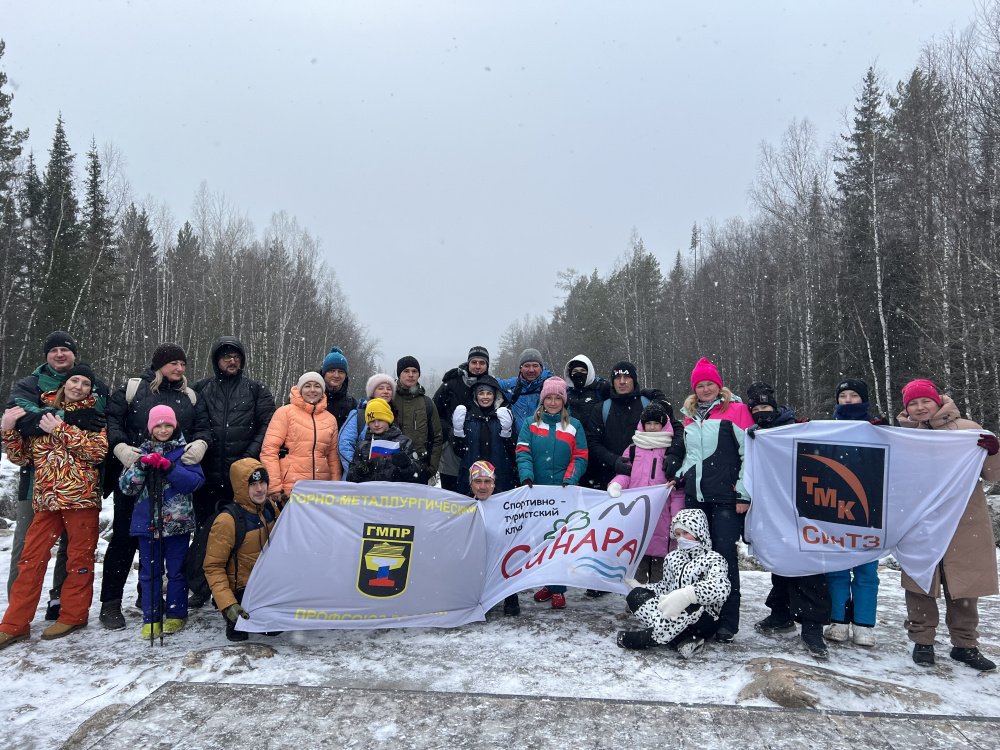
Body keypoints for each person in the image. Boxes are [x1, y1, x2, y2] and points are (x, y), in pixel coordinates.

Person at [99, 342, 212, 630]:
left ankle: (146, 598)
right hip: (137, 476)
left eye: (183, 364)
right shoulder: (134, 388)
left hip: (174, 483)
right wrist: (121, 447)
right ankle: (110, 602)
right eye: (173, 363)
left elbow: (202, 426)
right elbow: (112, 420)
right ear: (158, 364)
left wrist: (201, 443)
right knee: (125, 539)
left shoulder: (190, 396)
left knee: (169, 543)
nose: (179, 368)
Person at [0, 364, 108, 649]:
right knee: (30, 560)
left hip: (80, 499)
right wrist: (9, 431)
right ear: (64, 384)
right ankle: (14, 624)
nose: (79, 387)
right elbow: (22, 457)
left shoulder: (94, 416)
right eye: (75, 380)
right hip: (46, 501)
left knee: (79, 561)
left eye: (86, 383)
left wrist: (61, 430)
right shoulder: (41, 415)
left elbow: (96, 452)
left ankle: (74, 615)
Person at [897, 379, 1000, 672]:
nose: (920, 408)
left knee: (964, 584)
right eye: (913, 404)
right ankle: (923, 641)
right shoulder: (902, 436)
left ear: (937, 401)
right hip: (920, 519)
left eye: (925, 401)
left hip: (964, 520)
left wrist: (993, 451)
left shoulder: (967, 430)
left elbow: (992, 475)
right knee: (920, 580)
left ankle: (965, 645)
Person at [746, 382, 831, 660]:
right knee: (779, 562)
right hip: (773, 508)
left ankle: (812, 626)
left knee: (808, 566)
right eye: (755, 408)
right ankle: (780, 614)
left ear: (775, 406)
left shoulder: (795, 428)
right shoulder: (756, 435)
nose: (761, 412)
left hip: (804, 507)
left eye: (765, 407)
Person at [675, 357, 754, 642]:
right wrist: (679, 475)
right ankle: (703, 615)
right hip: (696, 497)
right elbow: (691, 456)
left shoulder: (737, 411)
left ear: (719, 386)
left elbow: (749, 455)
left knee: (724, 558)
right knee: (696, 558)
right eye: (700, 385)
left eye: (710, 384)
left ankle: (728, 621)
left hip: (726, 498)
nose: (705, 389)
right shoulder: (690, 416)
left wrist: (743, 492)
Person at [120, 405, 204, 637]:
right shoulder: (140, 453)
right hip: (147, 524)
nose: (164, 429)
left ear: (175, 426)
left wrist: (170, 468)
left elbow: (194, 483)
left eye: (168, 425)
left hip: (178, 524)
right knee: (149, 573)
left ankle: (177, 613)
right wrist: (141, 465)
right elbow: (127, 487)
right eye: (158, 425)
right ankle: (151, 617)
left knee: (176, 571)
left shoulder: (184, 452)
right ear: (150, 428)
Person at [617, 508, 731, 657]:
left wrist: (687, 595)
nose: (681, 538)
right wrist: (641, 587)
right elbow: (665, 586)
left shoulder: (713, 559)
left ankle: (650, 638)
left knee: (691, 606)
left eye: (686, 533)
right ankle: (682, 640)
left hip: (703, 620)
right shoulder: (672, 558)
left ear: (699, 532)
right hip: (672, 615)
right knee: (636, 596)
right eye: (677, 534)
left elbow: (722, 588)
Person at [515, 376, 588, 609]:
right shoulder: (530, 424)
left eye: (558, 398)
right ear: (542, 400)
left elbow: (580, 456)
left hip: (564, 492)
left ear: (564, 401)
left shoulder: (574, 425)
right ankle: (548, 582)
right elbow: (523, 452)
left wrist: (570, 478)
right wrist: (527, 476)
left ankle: (559, 588)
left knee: (561, 540)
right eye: (549, 398)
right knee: (540, 541)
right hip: (537, 492)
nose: (553, 402)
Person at [823, 378, 883, 648]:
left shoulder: (879, 429)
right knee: (835, 568)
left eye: (853, 396)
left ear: (863, 399)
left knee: (866, 568)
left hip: (869, 508)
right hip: (833, 505)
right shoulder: (825, 430)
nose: (847, 400)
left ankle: (864, 624)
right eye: (843, 395)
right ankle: (837, 620)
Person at [192, 336, 275, 527]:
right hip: (206, 480)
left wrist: (247, 458)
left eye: (237, 357)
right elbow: (193, 425)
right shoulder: (200, 389)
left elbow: (268, 426)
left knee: (242, 534)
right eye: (227, 357)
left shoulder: (256, 390)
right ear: (216, 360)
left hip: (243, 479)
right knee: (205, 534)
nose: (232, 361)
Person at [606, 401, 687, 585]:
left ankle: (658, 603)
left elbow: (676, 489)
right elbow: (625, 474)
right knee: (637, 562)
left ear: (663, 424)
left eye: (656, 424)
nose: (652, 428)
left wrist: (677, 516)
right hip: (638, 514)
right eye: (648, 424)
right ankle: (636, 600)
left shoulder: (671, 451)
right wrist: (616, 485)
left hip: (662, 516)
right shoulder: (634, 448)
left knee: (661, 565)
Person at [204, 458, 282, 642]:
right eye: (253, 484)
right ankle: (232, 615)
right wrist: (227, 604)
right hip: (241, 590)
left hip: (264, 585)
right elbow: (213, 567)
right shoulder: (227, 520)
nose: (260, 489)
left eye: (263, 482)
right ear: (240, 486)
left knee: (275, 630)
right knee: (241, 634)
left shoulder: (270, 507)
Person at [586, 361, 680, 491]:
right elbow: (592, 442)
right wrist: (613, 461)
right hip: (610, 480)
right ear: (613, 381)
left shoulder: (648, 405)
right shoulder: (602, 408)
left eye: (627, 377)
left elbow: (676, 430)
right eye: (618, 378)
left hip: (647, 482)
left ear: (634, 380)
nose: (622, 381)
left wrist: (674, 455)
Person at [260, 372, 342, 503]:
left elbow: (333, 458)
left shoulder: (330, 419)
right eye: (307, 386)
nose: (312, 390)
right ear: (300, 389)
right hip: (290, 491)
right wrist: (274, 487)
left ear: (322, 390)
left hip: (321, 492)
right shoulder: (285, 413)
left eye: (317, 386)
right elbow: (269, 450)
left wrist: (336, 488)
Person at [468, 460, 521, 616]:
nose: (482, 487)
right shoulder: (463, 503)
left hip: (501, 554)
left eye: (487, 481)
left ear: (494, 483)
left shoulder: (507, 504)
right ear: (471, 484)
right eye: (478, 481)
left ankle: (510, 595)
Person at [434, 346, 490, 492]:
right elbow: (434, 413)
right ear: (468, 363)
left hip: (480, 448)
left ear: (487, 365)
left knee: (477, 494)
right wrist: (449, 433)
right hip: (451, 452)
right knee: (451, 498)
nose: (477, 367)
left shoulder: (490, 385)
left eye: (482, 363)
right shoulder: (451, 384)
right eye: (474, 362)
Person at [452, 376, 517, 495]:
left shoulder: (504, 417)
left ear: (495, 396)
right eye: (481, 393)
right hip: (472, 480)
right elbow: (459, 451)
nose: (485, 397)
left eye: (489, 393)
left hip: (500, 478)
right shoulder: (466, 418)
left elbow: (513, 451)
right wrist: (457, 433)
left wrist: (507, 434)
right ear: (476, 396)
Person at [391, 356, 443, 485]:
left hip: (419, 469)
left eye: (414, 371)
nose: (411, 375)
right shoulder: (389, 400)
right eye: (406, 371)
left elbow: (437, 438)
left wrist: (431, 469)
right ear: (399, 374)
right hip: (390, 469)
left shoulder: (427, 403)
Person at [346, 398, 424, 483]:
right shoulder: (362, 446)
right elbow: (350, 478)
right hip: (370, 494)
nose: (376, 424)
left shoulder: (404, 442)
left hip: (396, 494)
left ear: (388, 419)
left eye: (380, 420)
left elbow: (417, 475)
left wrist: (406, 465)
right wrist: (359, 471)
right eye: (372, 421)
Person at [563, 354, 609, 490]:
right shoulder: (566, 394)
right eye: (575, 372)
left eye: (583, 371)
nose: (579, 375)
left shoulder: (600, 390)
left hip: (598, 447)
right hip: (574, 450)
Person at [338, 373, 398, 474]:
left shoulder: (395, 414)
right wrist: (358, 472)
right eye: (380, 388)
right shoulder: (359, 414)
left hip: (386, 483)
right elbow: (344, 446)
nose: (385, 392)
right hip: (360, 484)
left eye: (389, 389)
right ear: (372, 392)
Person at [497, 348, 553, 435]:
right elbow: (490, 382)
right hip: (519, 443)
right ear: (521, 368)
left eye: (535, 366)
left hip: (544, 442)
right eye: (527, 366)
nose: (531, 370)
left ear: (541, 368)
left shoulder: (551, 386)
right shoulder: (512, 386)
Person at [321, 346, 357, 430]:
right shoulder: (309, 395)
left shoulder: (350, 403)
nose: (336, 375)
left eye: (341, 371)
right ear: (324, 373)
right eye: (331, 371)